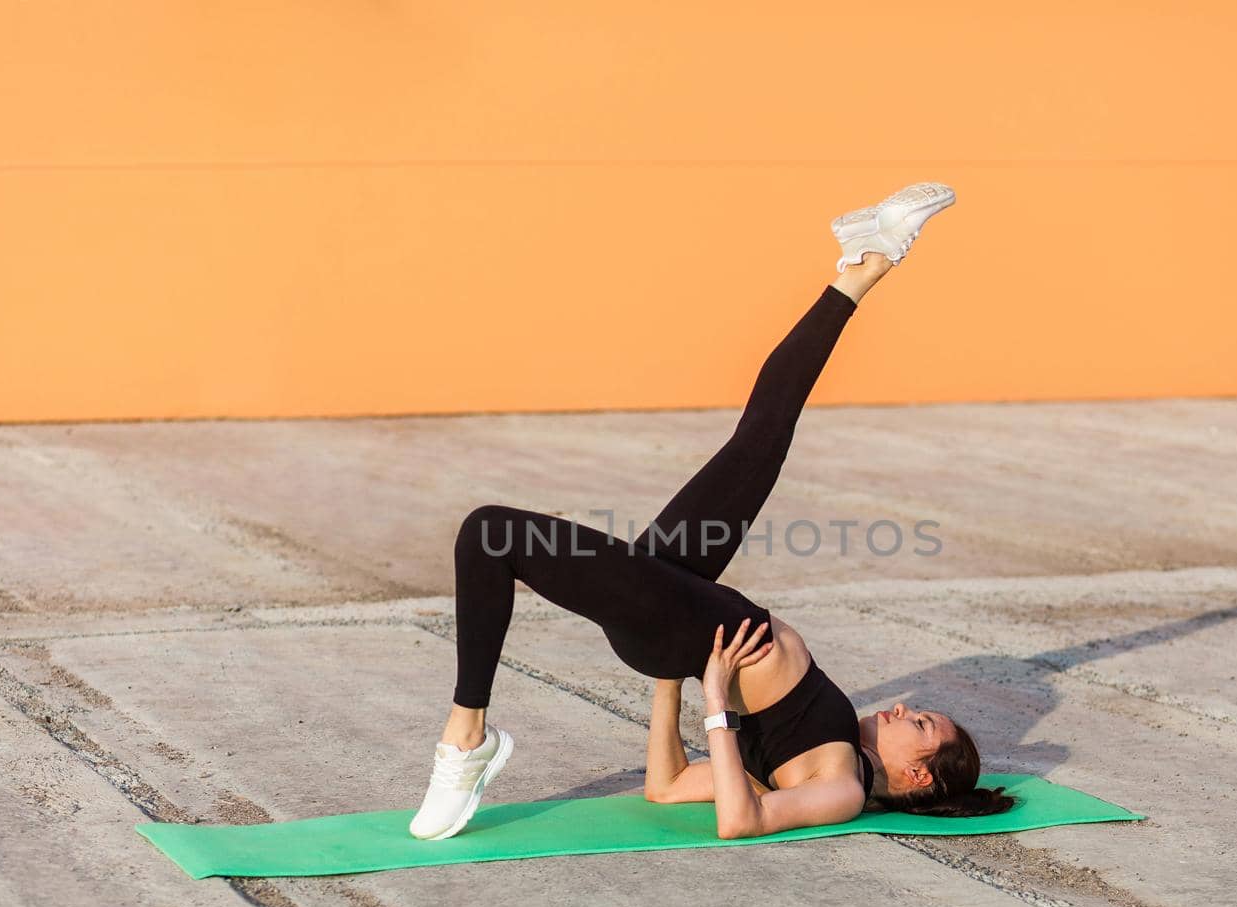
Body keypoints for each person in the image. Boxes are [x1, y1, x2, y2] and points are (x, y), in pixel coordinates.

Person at [411, 181, 1015, 842]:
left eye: (921, 723)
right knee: (760, 436)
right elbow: (665, 787)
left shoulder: (841, 788)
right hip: (682, 620)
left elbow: (738, 819)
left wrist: (715, 695)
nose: (905, 707)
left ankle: (466, 738)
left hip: (685, 632)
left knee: (490, 534)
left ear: (920, 777)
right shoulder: (840, 753)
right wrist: (676, 677)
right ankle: (860, 270)